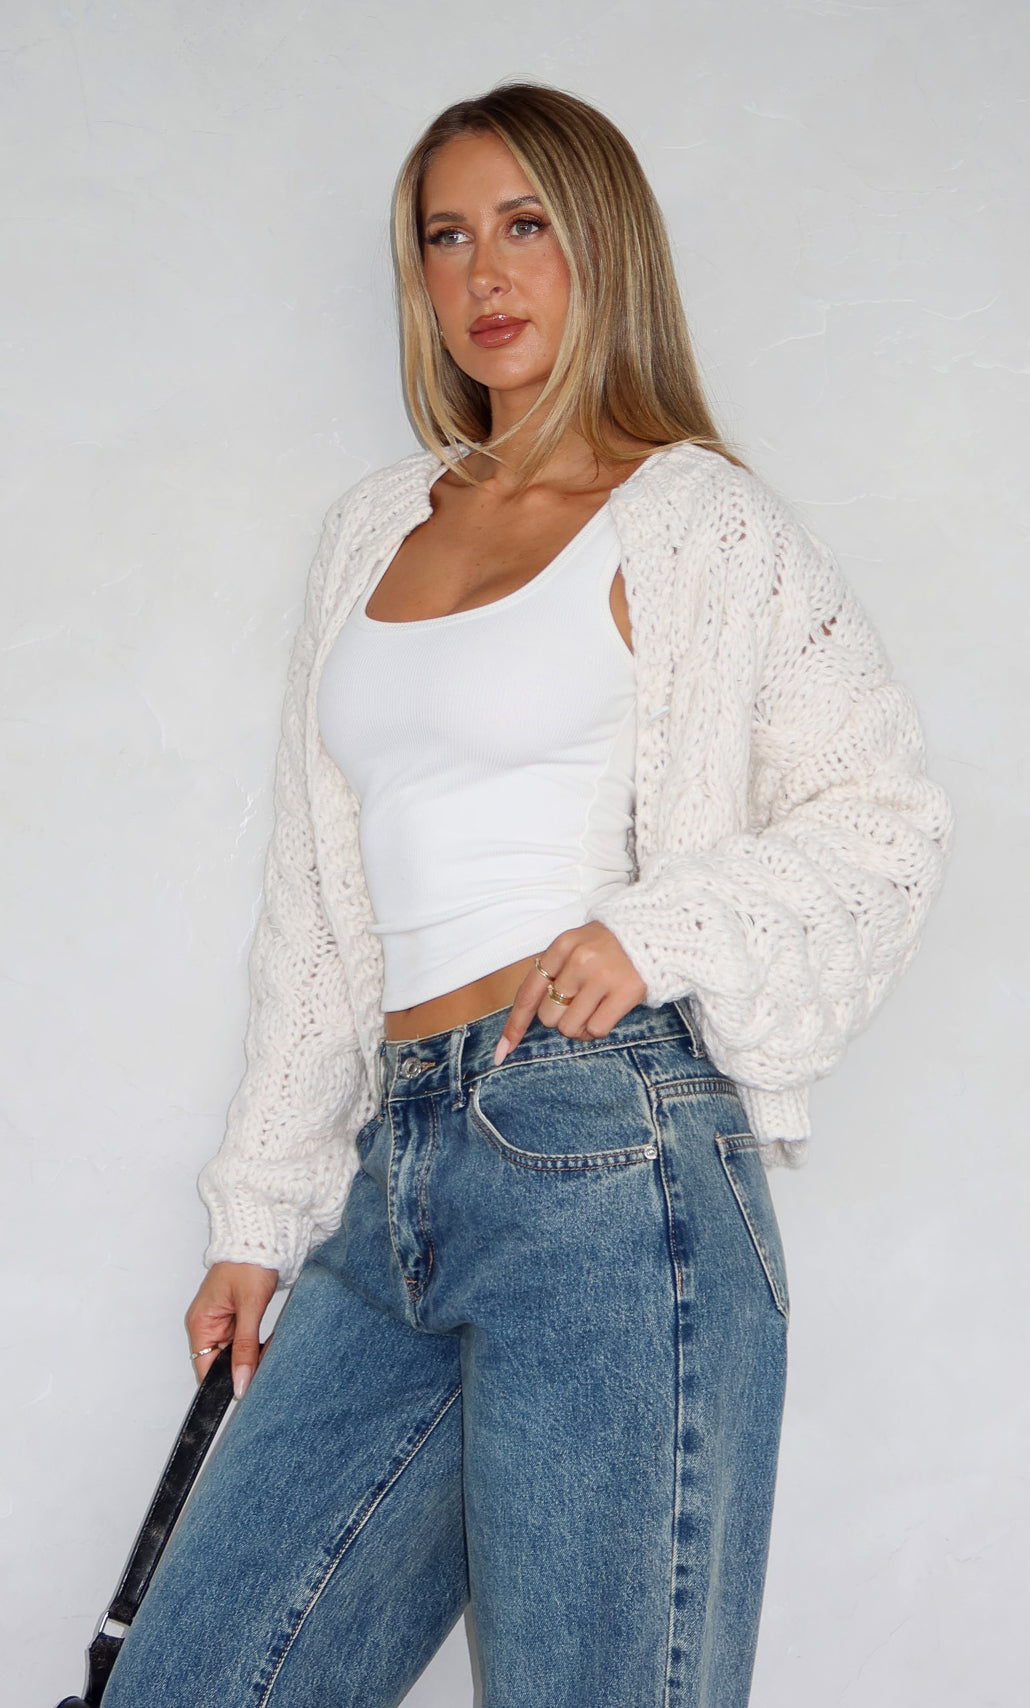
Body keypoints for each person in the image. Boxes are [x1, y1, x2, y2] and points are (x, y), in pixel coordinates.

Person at [100, 81, 952, 1708]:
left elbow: (885, 819)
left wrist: (655, 931)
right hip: (395, 1178)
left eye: (525, 224)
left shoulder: (698, 521)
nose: (484, 272)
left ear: (602, 246)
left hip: (607, 1161)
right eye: (446, 236)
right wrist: (260, 1216)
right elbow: (314, 909)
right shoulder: (373, 531)